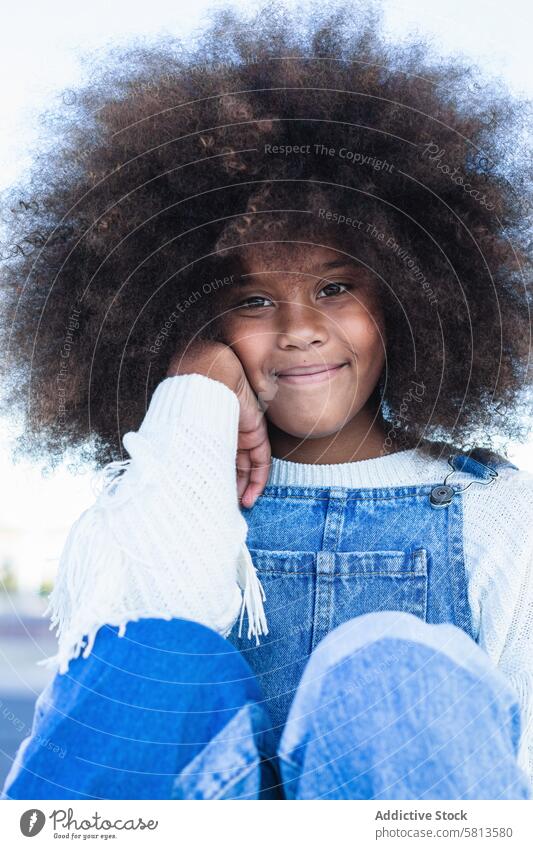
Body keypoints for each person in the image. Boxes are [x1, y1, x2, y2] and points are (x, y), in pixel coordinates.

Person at [1, 1, 532, 799]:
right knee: (152, 656)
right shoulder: (157, 490)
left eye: (333, 286)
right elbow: (149, 673)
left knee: (390, 670)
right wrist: (198, 388)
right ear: (194, 310)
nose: (298, 330)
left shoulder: (488, 511)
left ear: (405, 295)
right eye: (249, 301)